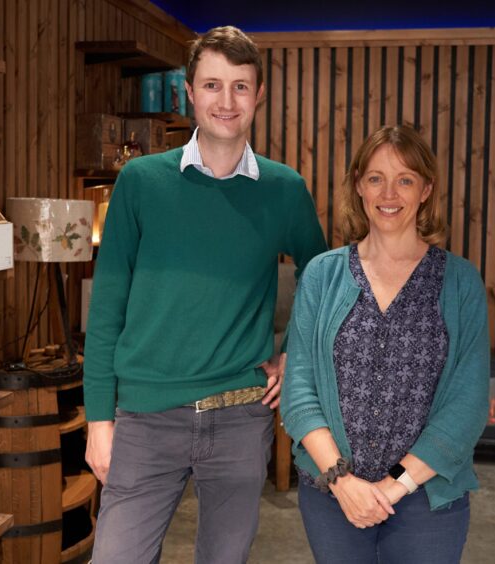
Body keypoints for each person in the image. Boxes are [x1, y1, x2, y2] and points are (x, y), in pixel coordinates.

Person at [83, 26, 328, 564]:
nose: (226, 100)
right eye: (212, 85)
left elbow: (324, 278)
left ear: (258, 97)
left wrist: (297, 356)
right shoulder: (141, 182)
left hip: (239, 417)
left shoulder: (284, 190)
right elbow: (105, 313)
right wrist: (99, 422)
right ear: (189, 93)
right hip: (145, 419)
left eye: (241, 87)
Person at [280, 125, 490, 563]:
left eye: (406, 179)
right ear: (359, 186)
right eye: (376, 178)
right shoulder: (322, 275)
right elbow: (299, 392)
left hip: (427, 499)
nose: (389, 192)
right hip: (333, 495)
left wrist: (395, 485)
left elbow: (467, 406)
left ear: (426, 190)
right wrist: (344, 482)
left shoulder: (460, 282)